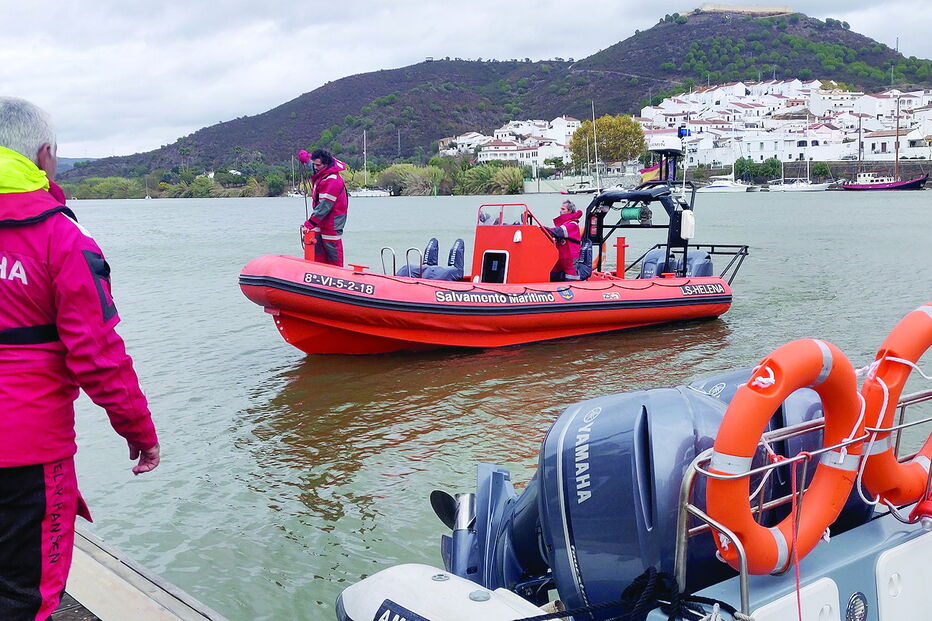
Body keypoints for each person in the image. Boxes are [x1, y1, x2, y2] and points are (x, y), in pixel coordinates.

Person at [0, 97, 160, 620]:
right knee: (25, 597)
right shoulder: (60, 239)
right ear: (45, 156)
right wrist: (139, 432)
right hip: (27, 454)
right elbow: (97, 355)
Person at [300, 148, 348, 267]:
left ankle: (338, 276)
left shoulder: (333, 181)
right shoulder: (321, 169)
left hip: (332, 221)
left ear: (325, 164)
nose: (315, 167)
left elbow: (324, 206)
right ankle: (317, 272)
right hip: (320, 220)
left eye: (317, 165)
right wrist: (304, 157)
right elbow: (312, 162)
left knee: (333, 251)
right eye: (314, 164)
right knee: (318, 249)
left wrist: (309, 223)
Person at [548, 200, 583, 281]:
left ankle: (574, 290)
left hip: (570, 257)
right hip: (561, 256)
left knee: (571, 275)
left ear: (569, 211)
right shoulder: (565, 224)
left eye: (563, 209)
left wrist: (542, 229)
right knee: (553, 272)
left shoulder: (572, 224)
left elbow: (558, 231)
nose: (560, 211)